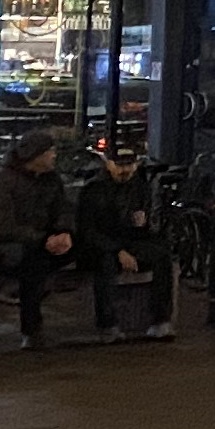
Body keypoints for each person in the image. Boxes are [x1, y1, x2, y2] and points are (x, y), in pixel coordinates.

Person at [0, 133, 78, 349]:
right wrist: (42, 240)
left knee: (83, 248)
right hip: (5, 247)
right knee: (34, 265)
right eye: (50, 151)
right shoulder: (4, 182)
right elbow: (0, 227)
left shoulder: (52, 179)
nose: (54, 155)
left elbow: (63, 209)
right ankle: (32, 331)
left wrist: (64, 232)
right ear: (36, 155)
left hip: (44, 241)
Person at [76, 139, 175, 340]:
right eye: (119, 165)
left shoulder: (140, 187)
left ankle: (160, 320)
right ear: (108, 164)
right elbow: (88, 231)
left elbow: (146, 226)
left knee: (162, 256)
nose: (125, 170)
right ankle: (108, 324)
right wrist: (117, 250)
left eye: (129, 165)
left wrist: (145, 226)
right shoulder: (93, 189)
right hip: (101, 246)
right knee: (106, 264)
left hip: (129, 242)